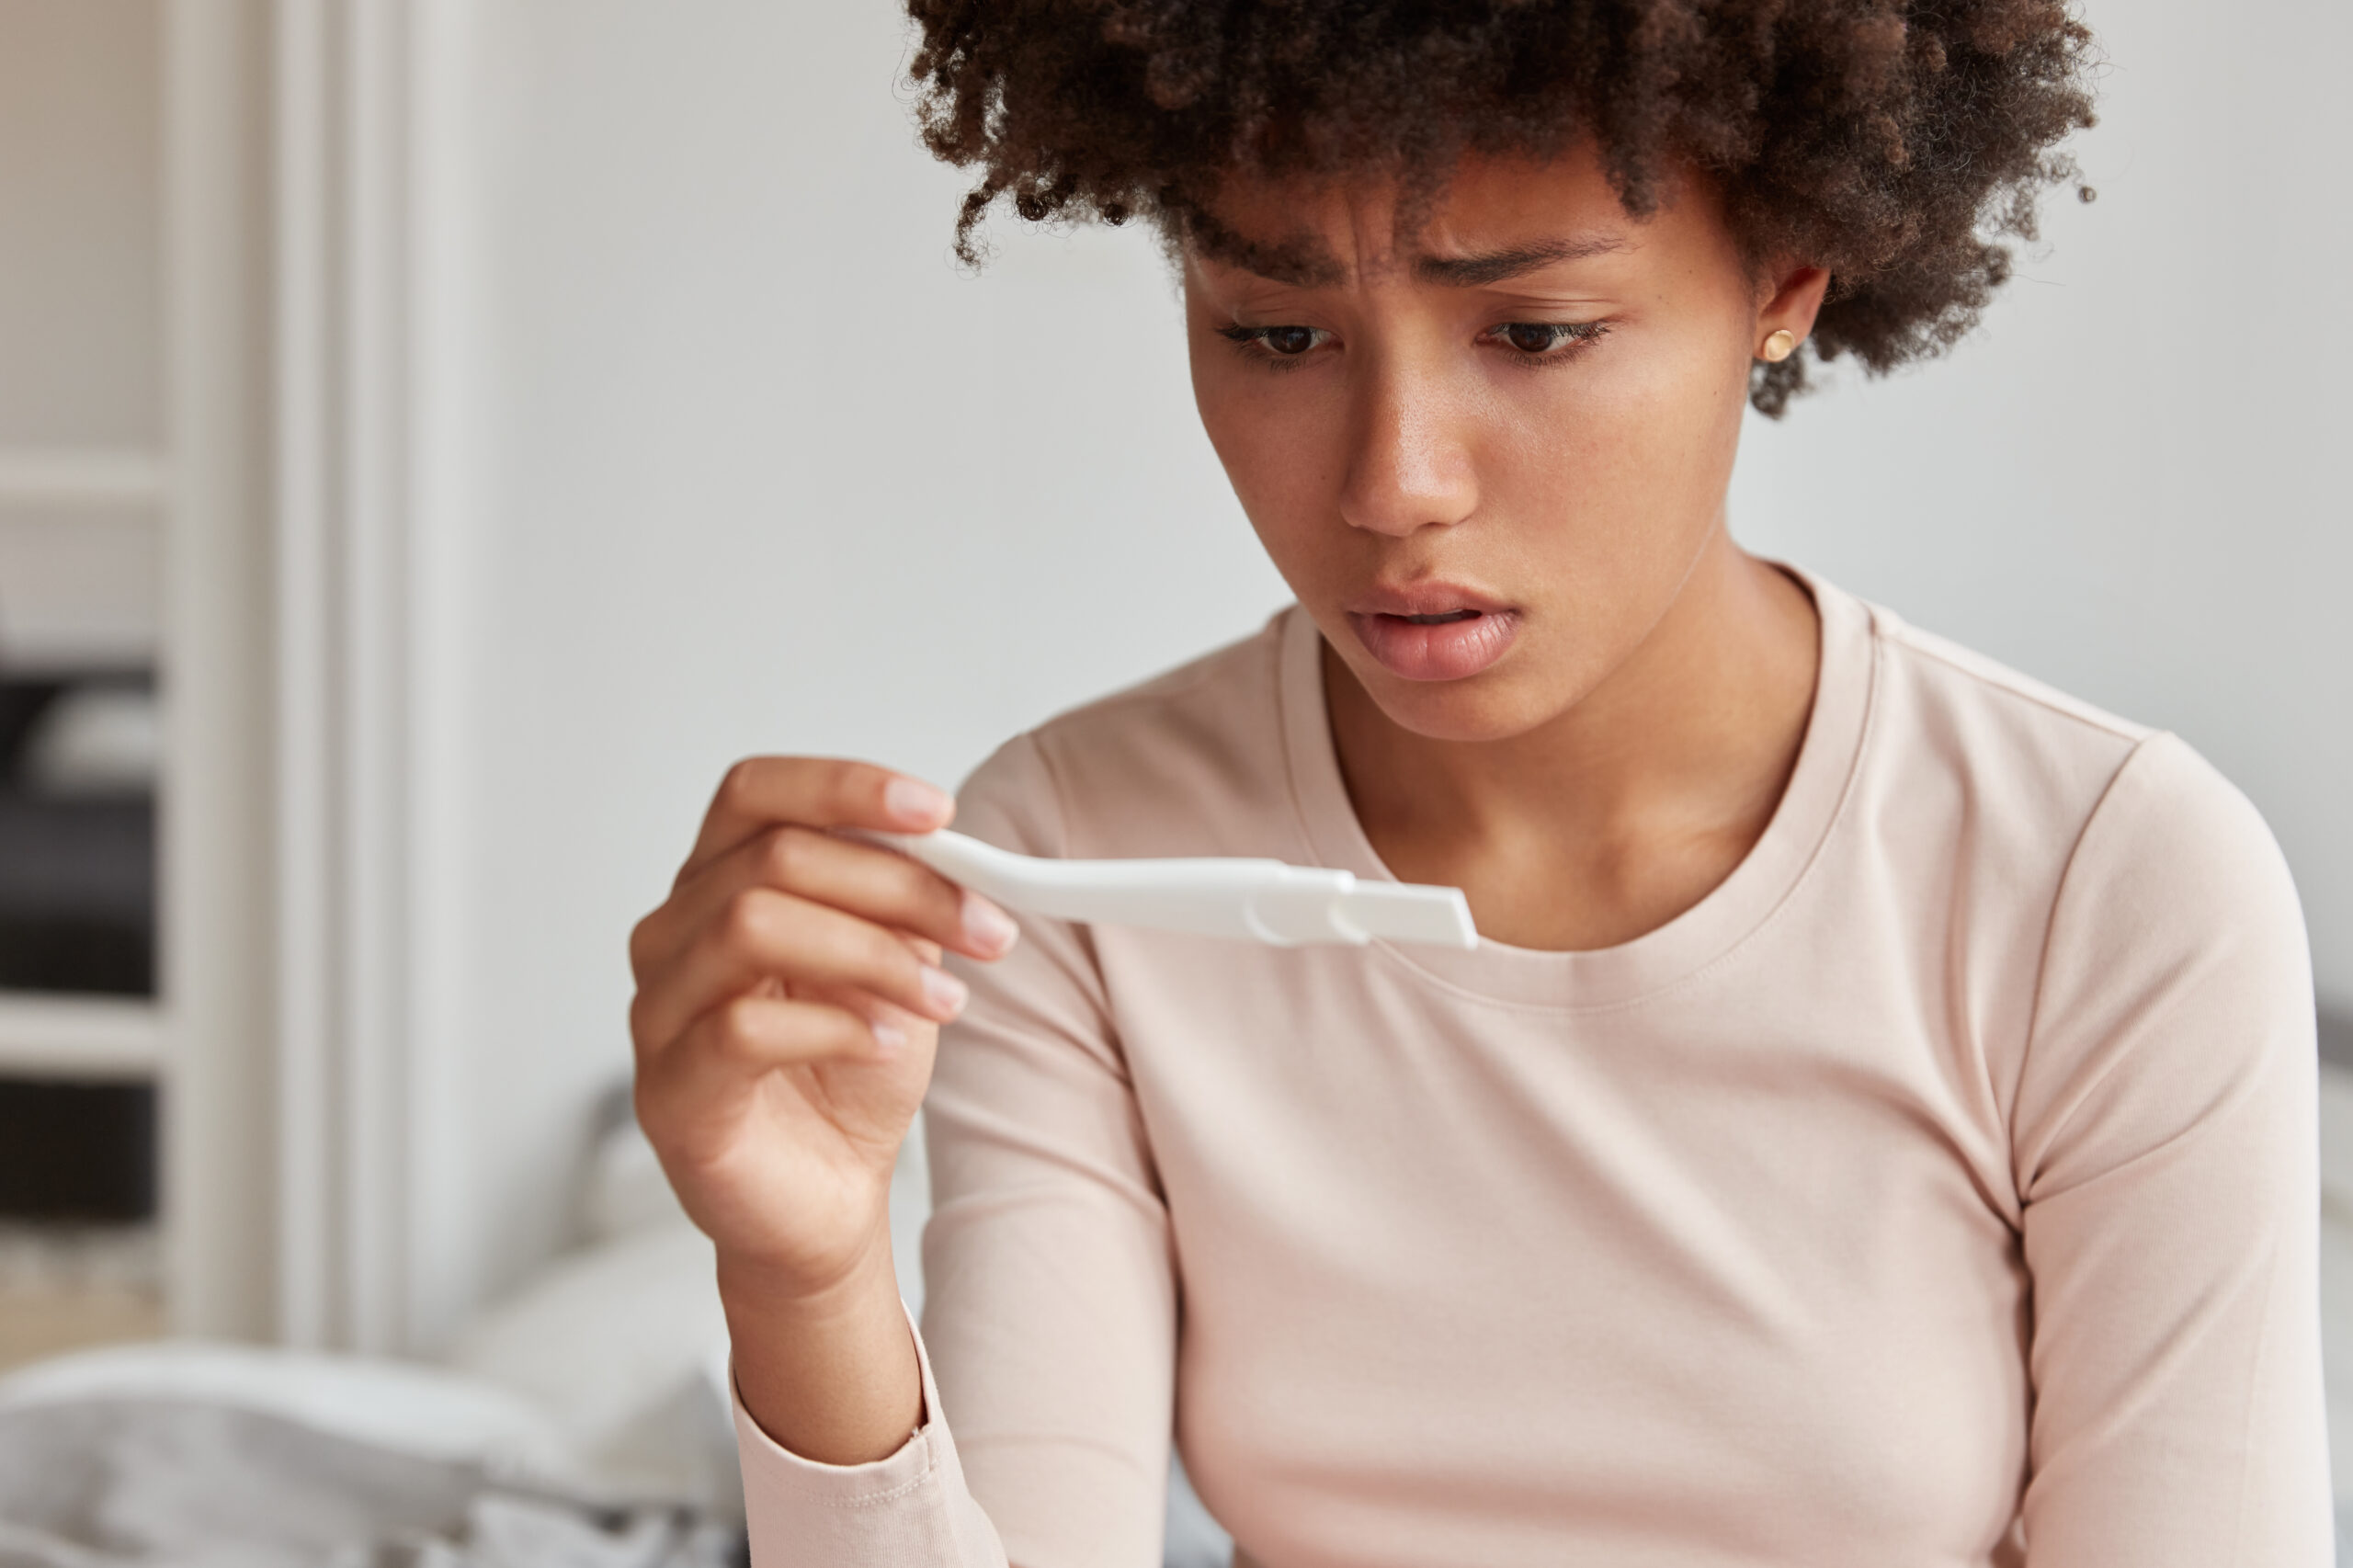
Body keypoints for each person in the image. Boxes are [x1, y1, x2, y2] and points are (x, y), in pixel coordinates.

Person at [625, 2, 2332, 1562]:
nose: (1395, 485)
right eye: (1280, 336)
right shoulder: (1079, 858)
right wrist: (806, 1279)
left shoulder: (2104, 886)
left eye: (1531, 329)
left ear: (1785, 279)